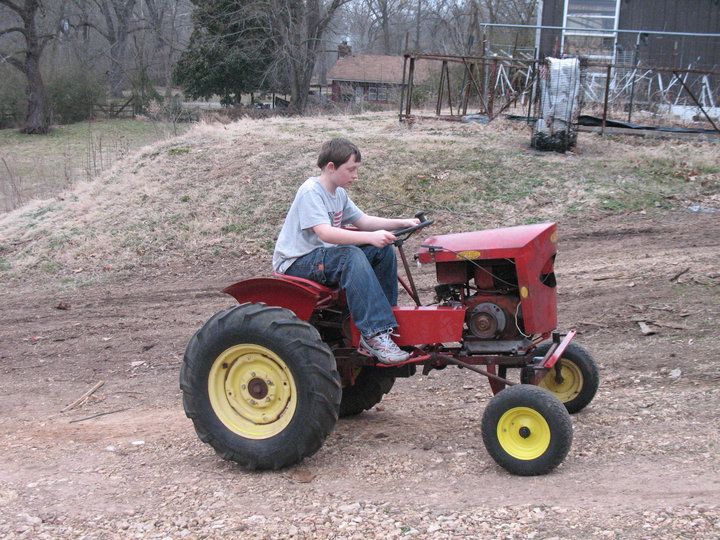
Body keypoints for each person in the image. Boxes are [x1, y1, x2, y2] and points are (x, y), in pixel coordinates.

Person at [272, 138, 419, 364]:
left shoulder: (338, 193)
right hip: (297, 261)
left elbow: (364, 221)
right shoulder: (311, 191)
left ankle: (387, 327)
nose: (355, 175)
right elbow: (326, 234)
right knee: (350, 255)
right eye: (351, 169)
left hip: (322, 258)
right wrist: (370, 237)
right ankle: (374, 334)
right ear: (331, 167)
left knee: (382, 251)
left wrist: (402, 223)